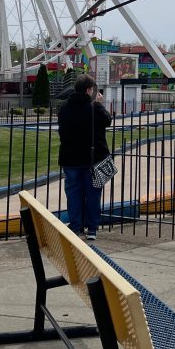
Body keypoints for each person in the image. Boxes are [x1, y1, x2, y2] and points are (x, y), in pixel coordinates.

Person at [57, 74, 112, 239]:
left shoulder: (64, 107)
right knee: (93, 193)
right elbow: (107, 121)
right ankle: (92, 228)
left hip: (70, 157)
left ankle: (75, 226)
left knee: (73, 193)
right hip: (92, 158)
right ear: (89, 89)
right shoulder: (94, 107)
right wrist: (100, 105)